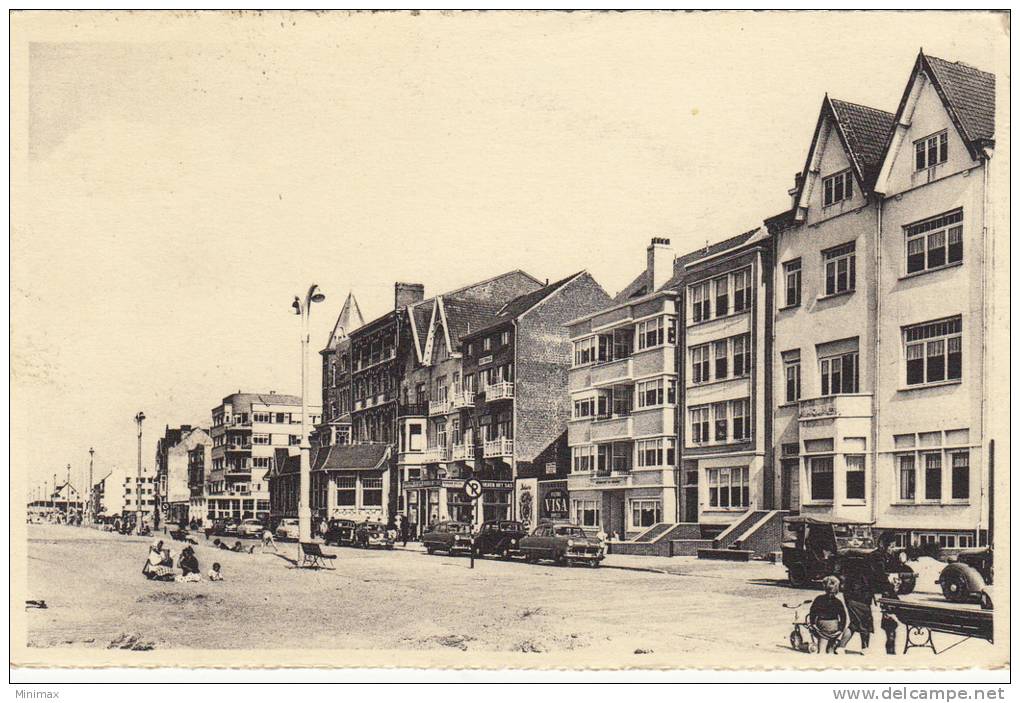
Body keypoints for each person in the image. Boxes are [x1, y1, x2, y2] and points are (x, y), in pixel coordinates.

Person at [808, 576, 848, 654]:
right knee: (831, 648)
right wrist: (840, 629)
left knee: (821, 650)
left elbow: (812, 613)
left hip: (823, 627)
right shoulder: (838, 602)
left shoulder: (819, 599)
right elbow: (843, 616)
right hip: (834, 627)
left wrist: (812, 624)